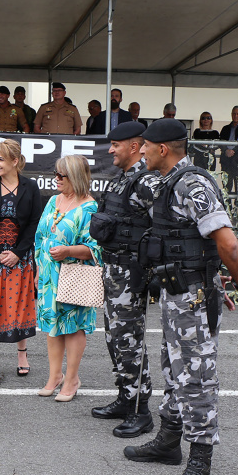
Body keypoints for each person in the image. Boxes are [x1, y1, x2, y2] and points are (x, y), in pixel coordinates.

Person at [125, 118, 238, 475]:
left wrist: (237, 283)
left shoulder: (192, 184)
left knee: (196, 377)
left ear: (163, 149)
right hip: (178, 292)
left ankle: (200, 462)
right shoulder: (171, 183)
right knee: (174, 367)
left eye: (146, 146)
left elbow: (229, 245)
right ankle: (169, 440)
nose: (143, 151)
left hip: (193, 297)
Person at [90, 121, 158, 437]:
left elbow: (162, 227)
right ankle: (125, 397)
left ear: (133, 146)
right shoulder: (122, 179)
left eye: (115, 144)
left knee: (129, 341)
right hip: (113, 270)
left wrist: (153, 272)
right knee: (115, 339)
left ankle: (140, 411)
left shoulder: (147, 182)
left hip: (132, 273)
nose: (110, 149)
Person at [0, 139, 42, 383]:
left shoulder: (30, 187)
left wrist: (19, 253)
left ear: (15, 161)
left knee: (19, 306)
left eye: (0, 159)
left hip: (20, 259)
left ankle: (22, 355)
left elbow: (35, 222)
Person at [34, 154, 100, 401]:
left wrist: (68, 251)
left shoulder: (89, 208)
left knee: (72, 328)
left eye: (62, 175)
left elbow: (95, 249)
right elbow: (40, 236)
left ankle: (72, 379)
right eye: (56, 173)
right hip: (50, 274)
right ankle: (54, 376)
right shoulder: (53, 201)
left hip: (75, 276)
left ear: (76, 177)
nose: (56, 179)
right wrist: (39, 267)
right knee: (51, 326)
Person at [219, 106, 238, 194]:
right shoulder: (225, 128)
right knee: (226, 188)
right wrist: (226, 150)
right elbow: (220, 142)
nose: (235, 116)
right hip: (226, 162)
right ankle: (227, 207)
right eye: (234, 113)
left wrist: (233, 151)